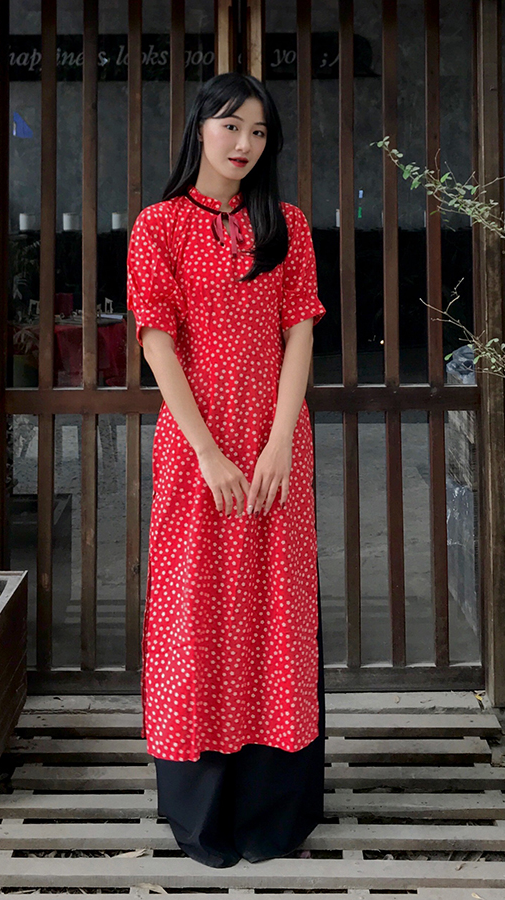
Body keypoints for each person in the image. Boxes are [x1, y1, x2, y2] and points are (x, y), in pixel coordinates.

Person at [126, 72, 327, 868]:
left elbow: (300, 331)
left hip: (276, 439)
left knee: (278, 608)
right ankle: (201, 808)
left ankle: (276, 807)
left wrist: (278, 443)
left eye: (259, 132)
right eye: (232, 125)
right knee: (195, 607)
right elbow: (155, 340)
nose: (245, 143)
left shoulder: (288, 225)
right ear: (200, 128)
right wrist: (208, 450)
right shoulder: (158, 226)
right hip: (194, 445)